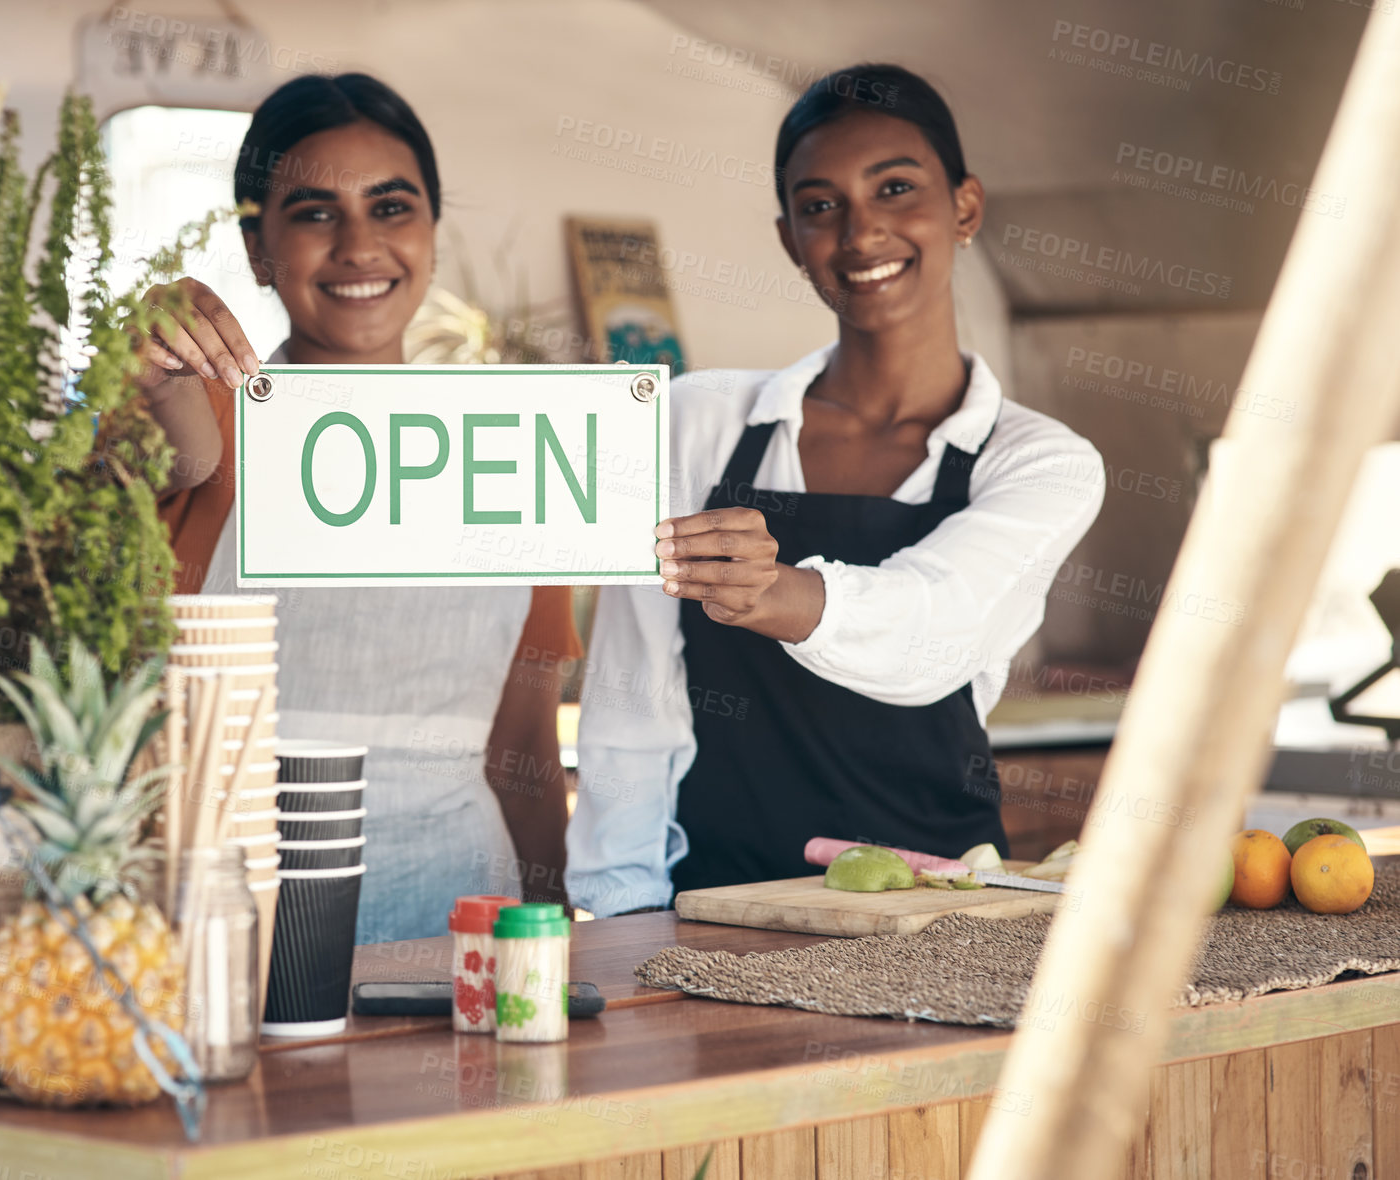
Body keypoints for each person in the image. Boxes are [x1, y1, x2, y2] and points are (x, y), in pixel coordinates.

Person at [567, 64, 1105, 916]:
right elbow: (632, 703)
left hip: (942, 915)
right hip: (715, 913)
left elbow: (935, 625)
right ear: (789, 239)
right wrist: (619, 912)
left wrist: (776, 593)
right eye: (820, 206)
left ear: (964, 208)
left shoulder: (1036, 460)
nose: (860, 232)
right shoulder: (691, 423)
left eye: (895, 188)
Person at [130, 73, 576, 940]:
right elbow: (182, 455)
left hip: (456, 918)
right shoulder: (199, 409)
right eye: (314, 212)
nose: (359, 244)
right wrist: (156, 362)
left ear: (432, 237)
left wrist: (551, 942)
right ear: (258, 250)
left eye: (391, 206)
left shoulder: (513, 450)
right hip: (220, 923)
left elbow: (523, 748)